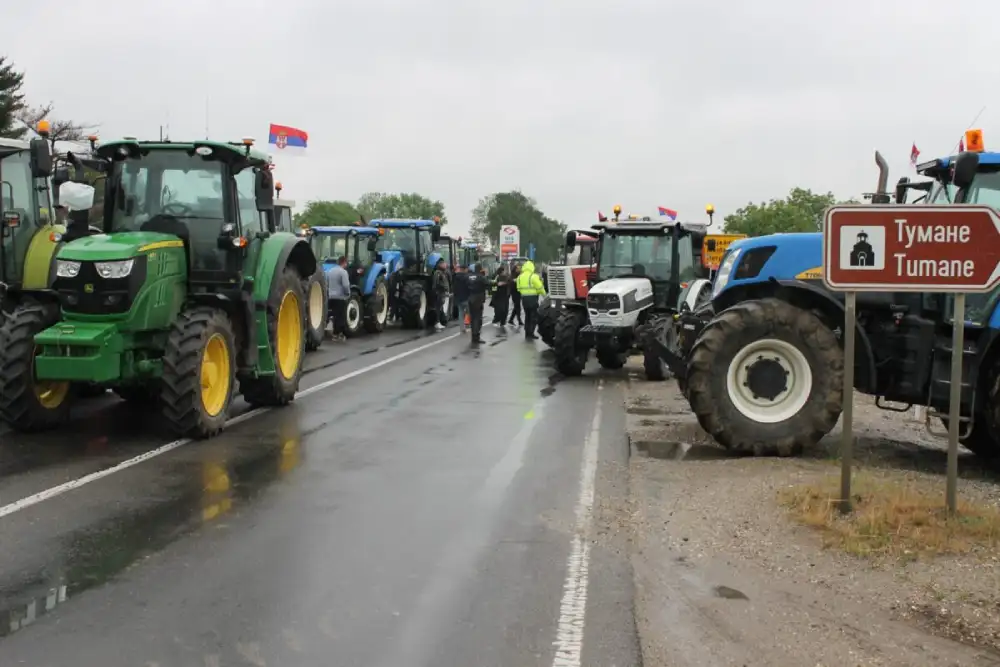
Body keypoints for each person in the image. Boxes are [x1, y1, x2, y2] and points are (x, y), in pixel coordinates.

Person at [515, 260, 546, 340]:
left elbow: (518, 288)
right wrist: (545, 296)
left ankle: (527, 333)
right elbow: (540, 287)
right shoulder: (533, 276)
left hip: (524, 299)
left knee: (527, 316)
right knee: (534, 316)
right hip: (533, 298)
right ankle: (531, 333)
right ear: (532, 267)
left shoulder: (519, 277)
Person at [326, 255, 351, 341]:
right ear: (344, 262)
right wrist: (348, 293)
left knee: (332, 315)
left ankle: (332, 332)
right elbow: (346, 285)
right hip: (340, 297)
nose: (347, 265)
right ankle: (337, 334)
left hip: (331, 297)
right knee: (340, 317)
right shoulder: (343, 272)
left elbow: (327, 284)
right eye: (346, 263)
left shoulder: (330, 271)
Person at [467, 265, 491, 344]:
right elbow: (488, 284)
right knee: (478, 318)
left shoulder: (468, 276)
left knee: (472, 318)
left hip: (470, 298)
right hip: (478, 298)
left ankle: (473, 336)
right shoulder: (481, 277)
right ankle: (476, 336)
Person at [431, 259, 450, 331]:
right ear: (440, 265)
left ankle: (440, 321)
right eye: (444, 264)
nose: (445, 265)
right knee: (437, 308)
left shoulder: (443, 272)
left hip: (441, 293)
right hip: (438, 292)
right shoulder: (438, 273)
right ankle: (437, 322)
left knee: (440, 307)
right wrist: (440, 290)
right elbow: (436, 283)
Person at [453, 264, 471, 333]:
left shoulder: (455, 277)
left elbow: (454, 288)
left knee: (460, 313)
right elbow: (469, 286)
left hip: (458, 298)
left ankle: (462, 328)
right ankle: (469, 324)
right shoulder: (467, 277)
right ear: (465, 269)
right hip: (466, 297)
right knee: (470, 311)